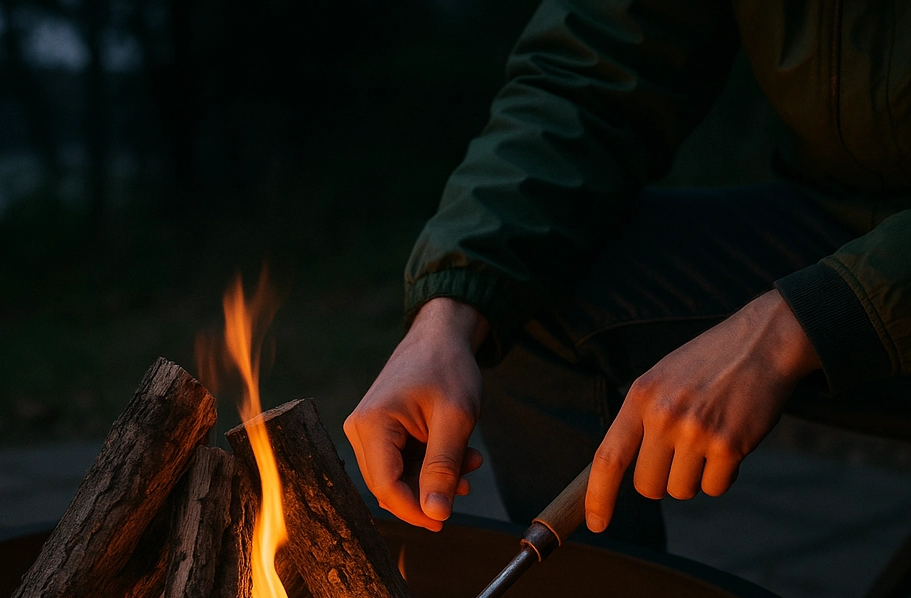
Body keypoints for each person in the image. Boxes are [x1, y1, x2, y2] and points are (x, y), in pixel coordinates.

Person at [344, 0, 910, 547]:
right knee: (521, 300)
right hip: (836, 215)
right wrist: (448, 309)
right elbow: (589, 73)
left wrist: (803, 321)